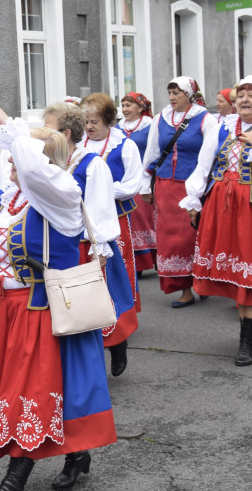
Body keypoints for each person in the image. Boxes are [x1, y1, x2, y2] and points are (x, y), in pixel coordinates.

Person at [0, 125, 116, 491]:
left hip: (39, 309)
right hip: (1, 311)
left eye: (19, 155)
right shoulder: (3, 203)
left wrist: (12, 129)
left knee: (27, 392)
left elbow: (37, 171)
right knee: (23, 389)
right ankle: (77, 453)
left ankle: (12, 488)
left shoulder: (60, 200)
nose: (11, 161)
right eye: (11, 155)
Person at [181, 76, 252, 366]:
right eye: (241, 94)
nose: (245, 99)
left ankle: (246, 340)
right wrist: (194, 198)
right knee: (235, 271)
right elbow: (204, 165)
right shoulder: (222, 127)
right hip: (223, 205)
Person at [140, 77, 220, 308]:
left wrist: (201, 188)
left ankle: (201, 279)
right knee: (170, 239)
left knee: (193, 235)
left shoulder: (205, 119)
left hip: (193, 186)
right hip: (166, 186)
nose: (173, 97)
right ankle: (183, 289)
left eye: (177, 93)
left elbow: (209, 157)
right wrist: (146, 183)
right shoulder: (160, 119)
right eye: (170, 93)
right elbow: (152, 152)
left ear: (189, 95)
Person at [77, 94, 142, 376]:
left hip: (115, 218)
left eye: (94, 121)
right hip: (81, 222)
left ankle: (119, 340)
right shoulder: (76, 145)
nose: (89, 126)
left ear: (108, 121)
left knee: (116, 277)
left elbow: (132, 183)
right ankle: (92, 343)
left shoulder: (124, 145)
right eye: (85, 121)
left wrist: (101, 192)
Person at [118, 92, 157, 274]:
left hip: (144, 178)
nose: (125, 109)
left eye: (129, 105)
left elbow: (155, 151)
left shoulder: (150, 126)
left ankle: (154, 258)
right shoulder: (119, 127)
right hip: (125, 178)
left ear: (140, 108)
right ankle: (137, 263)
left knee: (145, 220)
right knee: (130, 220)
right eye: (123, 105)